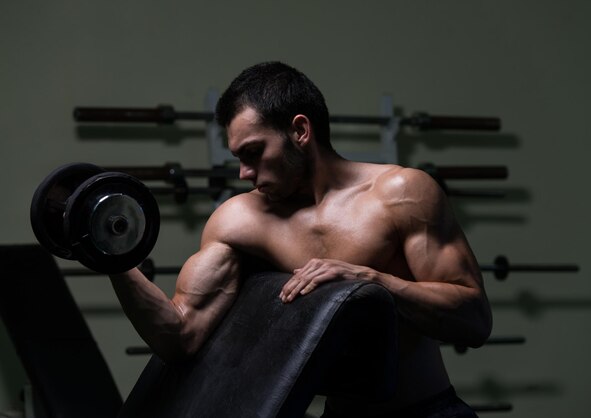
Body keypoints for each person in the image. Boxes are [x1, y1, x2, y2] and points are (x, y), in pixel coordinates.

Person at [109, 61, 492, 417]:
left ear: (300, 131)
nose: (244, 173)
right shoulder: (241, 221)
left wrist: (374, 282)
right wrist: (113, 259)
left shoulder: (401, 193)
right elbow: (181, 335)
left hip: (427, 411)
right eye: (239, 158)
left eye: (254, 153)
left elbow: (474, 320)